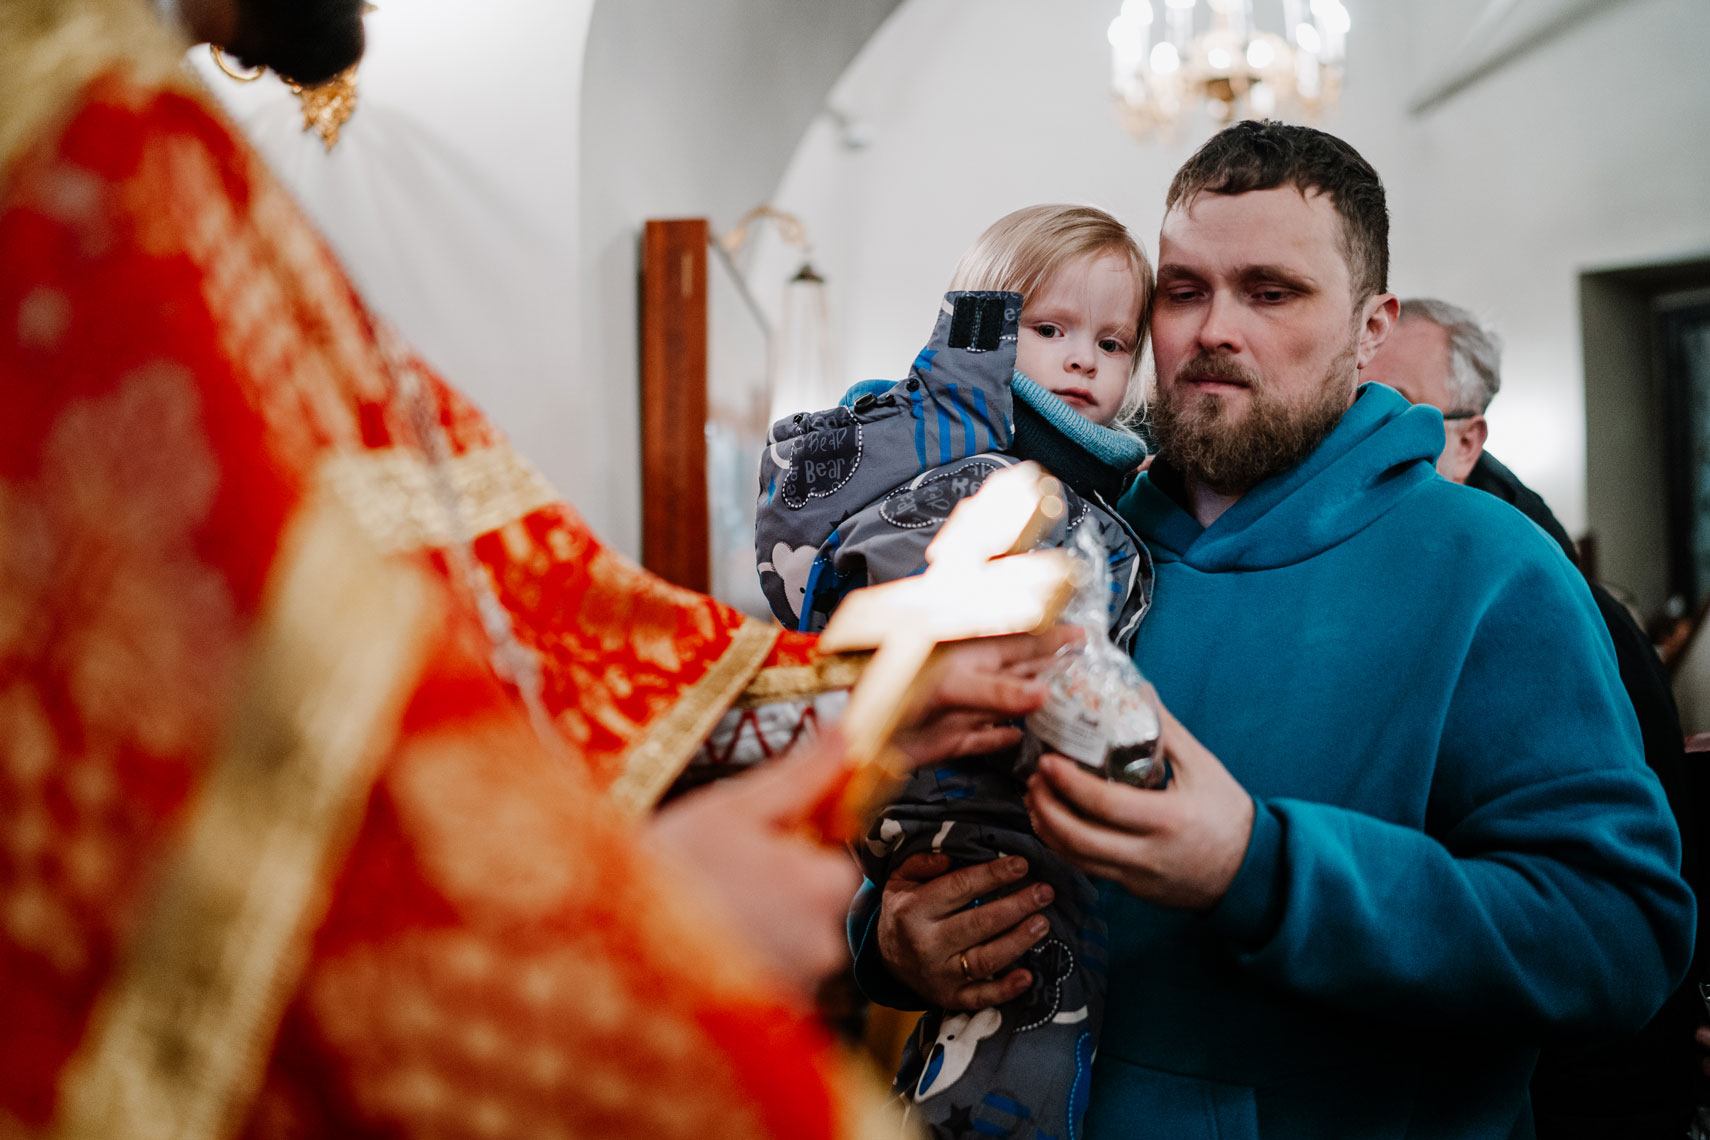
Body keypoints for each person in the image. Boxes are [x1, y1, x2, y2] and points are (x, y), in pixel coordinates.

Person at [0, 0, 1065, 1136]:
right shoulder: (72, 132)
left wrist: (869, 690)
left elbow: (506, 615)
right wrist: (637, 923)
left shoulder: (151, 137)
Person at [855, 119, 1695, 1139]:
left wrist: (1257, 867)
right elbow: (935, 805)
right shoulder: (1060, 539)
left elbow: (1618, 942)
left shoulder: (1494, 571)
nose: (1215, 329)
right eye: (1183, 290)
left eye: (1271, 292)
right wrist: (892, 939)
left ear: (1371, 328)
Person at [756, 204, 1153, 1139]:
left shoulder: (1099, 490)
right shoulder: (975, 476)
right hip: (974, 800)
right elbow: (906, 605)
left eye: (1112, 343)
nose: (1083, 361)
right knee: (1015, 1028)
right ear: (985, 330)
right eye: (1050, 330)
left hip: (1025, 823)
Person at [1362, 297, 1704, 1138]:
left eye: (1396, 412)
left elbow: (1607, 918)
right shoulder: (1385, 573)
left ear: (1467, 442)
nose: (1358, 436)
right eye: (1347, 405)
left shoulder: (1543, 601)